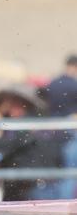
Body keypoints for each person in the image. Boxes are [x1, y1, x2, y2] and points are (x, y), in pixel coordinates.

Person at [0, 83, 62, 201]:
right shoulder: (27, 125)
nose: (8, 108)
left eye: (13, 104)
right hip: (33, 184)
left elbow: (0, 147)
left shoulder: (24, 127)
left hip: (33, 186)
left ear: (22, 105)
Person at [41, 54, 77, 198]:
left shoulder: (53, 83)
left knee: (55, 171)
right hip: (70, 131)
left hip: (53, 130)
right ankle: (66, 203)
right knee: (70, 170)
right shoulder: (74, 85)